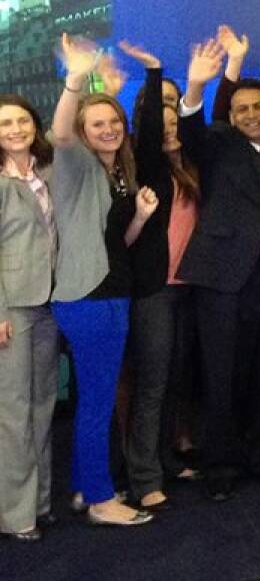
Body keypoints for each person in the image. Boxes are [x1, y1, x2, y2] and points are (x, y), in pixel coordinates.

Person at [178, 40, 260, 501]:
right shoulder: (217, 146)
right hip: (224, 280)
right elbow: (191, 127)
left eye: (259, 106)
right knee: (222, 375)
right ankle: (221, 468)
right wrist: (196, 83)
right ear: (231, 117)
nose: (251, 114)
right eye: (242, 109)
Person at [49, 34, 156, 526]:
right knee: (96, 402)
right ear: (84, 131)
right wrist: (76, 77)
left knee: (95, 397)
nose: (109, 129)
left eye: (114, 121)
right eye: (98, 124)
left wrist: (139, 217)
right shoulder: (74, 164)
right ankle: (100, 500)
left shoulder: (118, 175)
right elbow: (61, 135)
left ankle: (82, 487)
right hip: (88, 298)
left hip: (111, 293)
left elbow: (118, 244)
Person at [116, 43, 200, 512]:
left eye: (174, 115)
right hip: (154, 290)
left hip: (188, 288)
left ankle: (165, 459)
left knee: (172, 382)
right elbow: (149, 132)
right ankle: (143, 475)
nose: (167, 122)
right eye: (158, 115)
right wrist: (153, 71)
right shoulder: (145, 162)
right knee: (150, 384)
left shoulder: (188, 165)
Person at [0, 94, 58, 542]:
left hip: (49, 304)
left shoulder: (45, 174)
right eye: (5, 123)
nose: (15, 129)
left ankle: (40, 503)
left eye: (22, 120)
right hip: (11, 308)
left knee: (43, 406)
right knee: (13, 413)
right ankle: (17, 515)